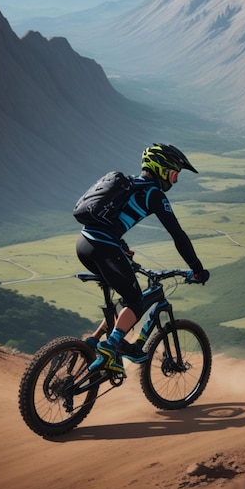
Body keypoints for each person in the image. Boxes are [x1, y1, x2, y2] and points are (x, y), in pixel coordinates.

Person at [75, 143, 209, 376]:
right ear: (162, 169)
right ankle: (111, 346)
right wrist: (197, 268)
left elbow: (111, 224)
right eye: (175, 174)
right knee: (135, 301)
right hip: (104, 246)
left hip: (85, 243)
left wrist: (123, 249)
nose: (174, 181)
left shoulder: (130, 185)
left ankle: (95, 341)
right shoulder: (153, 193)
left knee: (124, 299)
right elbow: (178, 235)